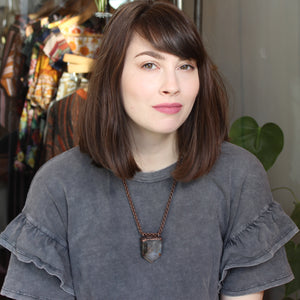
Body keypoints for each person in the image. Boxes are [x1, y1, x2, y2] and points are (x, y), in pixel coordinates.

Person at [0, 1, 298, 299]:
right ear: (113, 76)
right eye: (149, 65)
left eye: (185, 66)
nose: (172, 85)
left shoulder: (238, 176)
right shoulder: (58, 185)